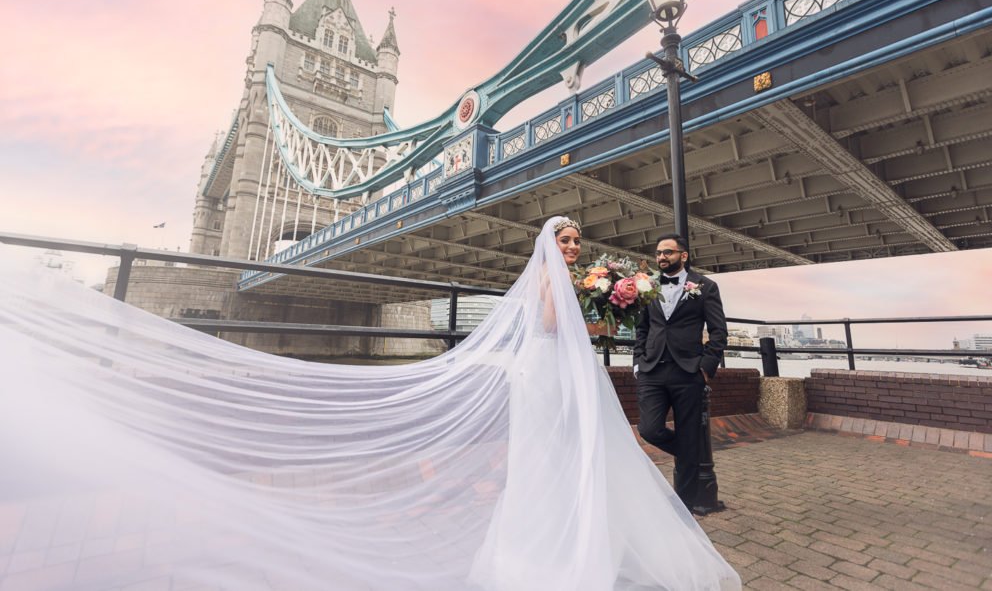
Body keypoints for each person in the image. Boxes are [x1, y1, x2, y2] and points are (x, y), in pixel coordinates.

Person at [0, 218, 739, 590]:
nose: (574, 247)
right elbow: (552, 325)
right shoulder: (555, 284)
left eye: (578, 241)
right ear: (555, 246)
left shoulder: (576, 278)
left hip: (554, 371)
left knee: (558, 460)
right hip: (546, 372)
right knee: (552, 459)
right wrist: (596, 309)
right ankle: (556, 551)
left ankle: (563, 541)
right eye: (568, 239)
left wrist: (603, 304)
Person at [633, 233, 728, 513]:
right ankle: (690, 453)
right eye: (659, 253)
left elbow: (719, 332)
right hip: (651, 370)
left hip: (688, 372)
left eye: (668, 252)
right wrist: (638, 362)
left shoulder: (705, 286)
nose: (662, 257)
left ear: (683, 256)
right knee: (649, 429)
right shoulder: (646, 286)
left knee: (688, 433)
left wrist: (706, 368)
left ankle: (684, 506)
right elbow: (642, 328)